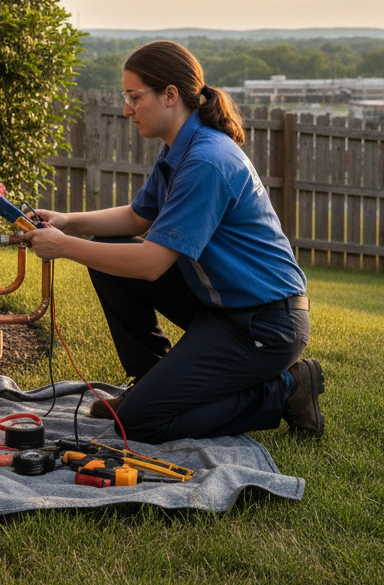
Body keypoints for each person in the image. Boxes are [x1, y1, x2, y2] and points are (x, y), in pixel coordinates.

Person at [23, 41, 324, 444]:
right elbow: (136, 217)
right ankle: (150, 382)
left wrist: (63, 246)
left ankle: (286, 388)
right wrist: (66, 221)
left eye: (134, 97)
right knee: (105, 251)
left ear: (170, 95)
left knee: (138, 424)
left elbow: (151, 264)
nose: (127, 108)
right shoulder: (179, 150)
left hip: (265, 324)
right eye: (125, 97)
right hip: (222, 307)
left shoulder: (206, 161)